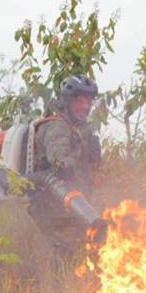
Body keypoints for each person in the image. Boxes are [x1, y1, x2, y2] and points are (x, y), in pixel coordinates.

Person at [26, 75, 102, 265]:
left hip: (72, 208)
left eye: (89, 101)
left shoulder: (81, 130)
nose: (85, 106)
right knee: (67, 257)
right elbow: (60, 162)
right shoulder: (56, 127)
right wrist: (68, 165)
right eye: (80, 100)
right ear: (67, 102)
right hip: (51, 208)